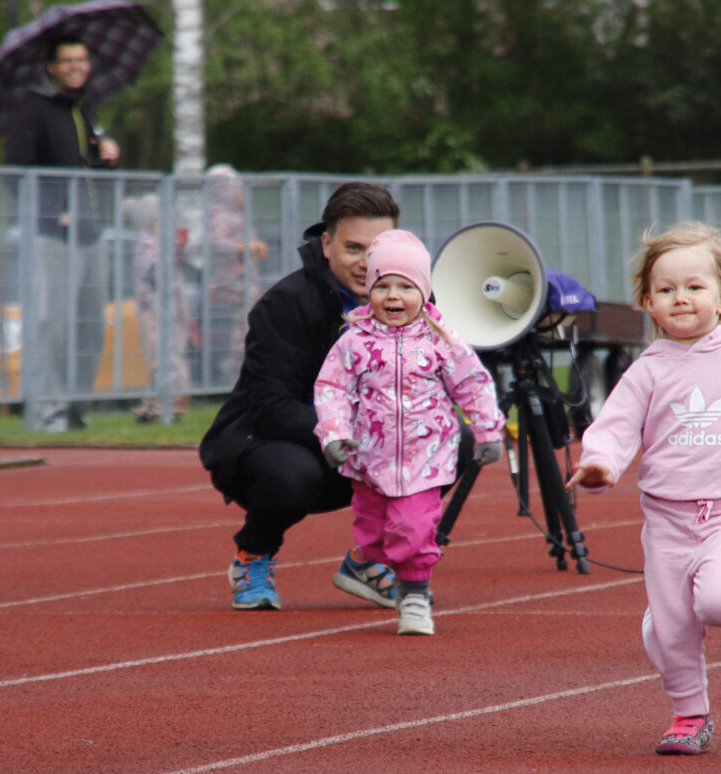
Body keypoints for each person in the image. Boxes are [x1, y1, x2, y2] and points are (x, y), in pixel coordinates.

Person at [565, 221, 721, 755]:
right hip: (666, 522)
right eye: (666, 289)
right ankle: (689, 715)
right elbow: (614, 428)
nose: (680, 298)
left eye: (694, 287)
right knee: (672, 630)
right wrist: (599, 465)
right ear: (648, 302)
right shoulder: (647, 370)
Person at [198, 182, 478, 611]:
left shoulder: (414, 300)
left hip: (367, 449)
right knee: (292, 476)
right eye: (354, 248)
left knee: (456, 438)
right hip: (270, 443)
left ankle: (370, 560)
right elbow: (270, 408)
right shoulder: (285, 304)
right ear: (326, 244)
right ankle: (253, 553)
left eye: (378, 248)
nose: (368, 263)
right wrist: (348, 434)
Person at [314, 230, 505, 635]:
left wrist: (488, 432)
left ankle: (415, 595)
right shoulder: (354, 342)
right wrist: (333, 434)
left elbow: (472, 384)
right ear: (369, 292)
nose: (393, 296)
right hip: (369, 459)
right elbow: (332, 389)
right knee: (374, 538)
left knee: (413, 529)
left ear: (425, 291)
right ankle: (369, 563)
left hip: (426, 457)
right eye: (382, 286)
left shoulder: (441, 341)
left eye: (406, 286)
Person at [3, 35, 120, 432]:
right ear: (51, 67)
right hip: (50, 237)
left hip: (90, 236)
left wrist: (106, 158)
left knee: (90, 328)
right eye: (67, 60)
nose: (76, 66)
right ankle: (46, 413)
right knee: (51, 326)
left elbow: (90, 174)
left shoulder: (85, 110)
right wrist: (55, 213)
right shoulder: (32, 111)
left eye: (82, 59)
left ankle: (75, 408)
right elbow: (15, 175)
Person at [124, 194, 190, 423]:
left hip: (168, 311)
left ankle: (159, 404)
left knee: (167, 357)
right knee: (161, 358)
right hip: (155, 312)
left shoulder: (161, 242)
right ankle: (163, 406)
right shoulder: (149, 243)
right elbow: (157, 275)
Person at [203, 164, 268, 384]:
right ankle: (234, 372)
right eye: (238, 190)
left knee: (248, 325)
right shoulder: (221, 216)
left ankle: (239, 369)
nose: (243, 195)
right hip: (233, 283)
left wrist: (255, 247)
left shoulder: (236, 215)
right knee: (244, 327)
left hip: (245, 280)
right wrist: (243, 247)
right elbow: (215, 242)